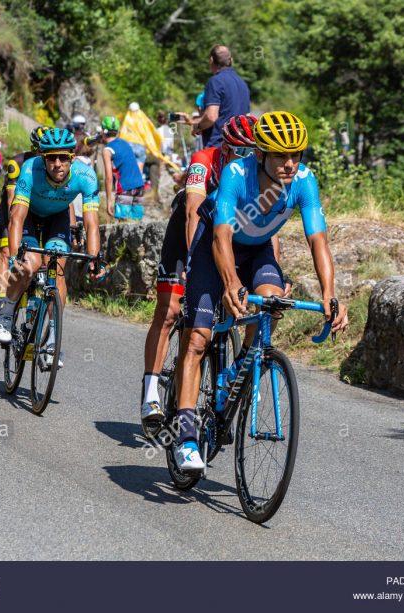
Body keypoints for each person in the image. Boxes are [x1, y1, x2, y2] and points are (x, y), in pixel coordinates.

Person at [172, 111, 349, 471]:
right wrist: (231, 284)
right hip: (213, 249)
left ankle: (236, 370)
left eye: (296, 155)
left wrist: (330, 294)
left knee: (270, 301)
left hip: (257, 251)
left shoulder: (304, 180)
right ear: (260, 155)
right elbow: (221, 235)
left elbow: (318, 240)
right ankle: (186, 435)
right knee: (197, 341)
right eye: (280, 156)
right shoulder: (238, 175)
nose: (289, 164)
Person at [140, 114, 260, 435]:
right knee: (169, 312)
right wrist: (193, 265)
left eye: (255, 153)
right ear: (225, 147)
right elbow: (193, 211)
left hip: (222, 240)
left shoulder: (255, 175)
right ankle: (151, 393)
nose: (249, 159)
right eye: (242, 151)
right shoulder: (203, 161)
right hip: (185, 237)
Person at [0, 128, 105, 368]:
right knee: (29, 264)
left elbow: (92, 223)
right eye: (51, 158)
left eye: (63, 157)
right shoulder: (30, 170)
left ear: (72, 158)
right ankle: (6, 312)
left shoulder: (86, 175)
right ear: (42, 158)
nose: (57, 163)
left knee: (57, 269)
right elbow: (16, 218)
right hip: (29, 217)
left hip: (58, 219)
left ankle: (53, 339)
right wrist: (14, 258)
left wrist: (95, 258)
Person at [0, 126, 46, 315]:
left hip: (36, 209)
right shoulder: (17, 163)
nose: (45, 154)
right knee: (6, 250)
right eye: (41, 149)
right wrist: (14, 224)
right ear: (33, 148)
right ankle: (1, 298)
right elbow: (11, 201)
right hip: (13, 207)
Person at [197, 45, 250, 148]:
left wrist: (198, 127)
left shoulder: (215, 82)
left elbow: (211, 117)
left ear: (211, 60)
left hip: (218, 148)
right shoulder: (243, 84)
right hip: (239, 147)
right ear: (231, 60)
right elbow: (247, 118)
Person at [100, 116, 146, 221]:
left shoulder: (107, 150)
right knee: (136, 225)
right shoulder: (125, 143)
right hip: (139, 186)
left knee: (123, 224)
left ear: (103, 130)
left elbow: (108, 178)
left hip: (125, 188)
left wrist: (108, 202)